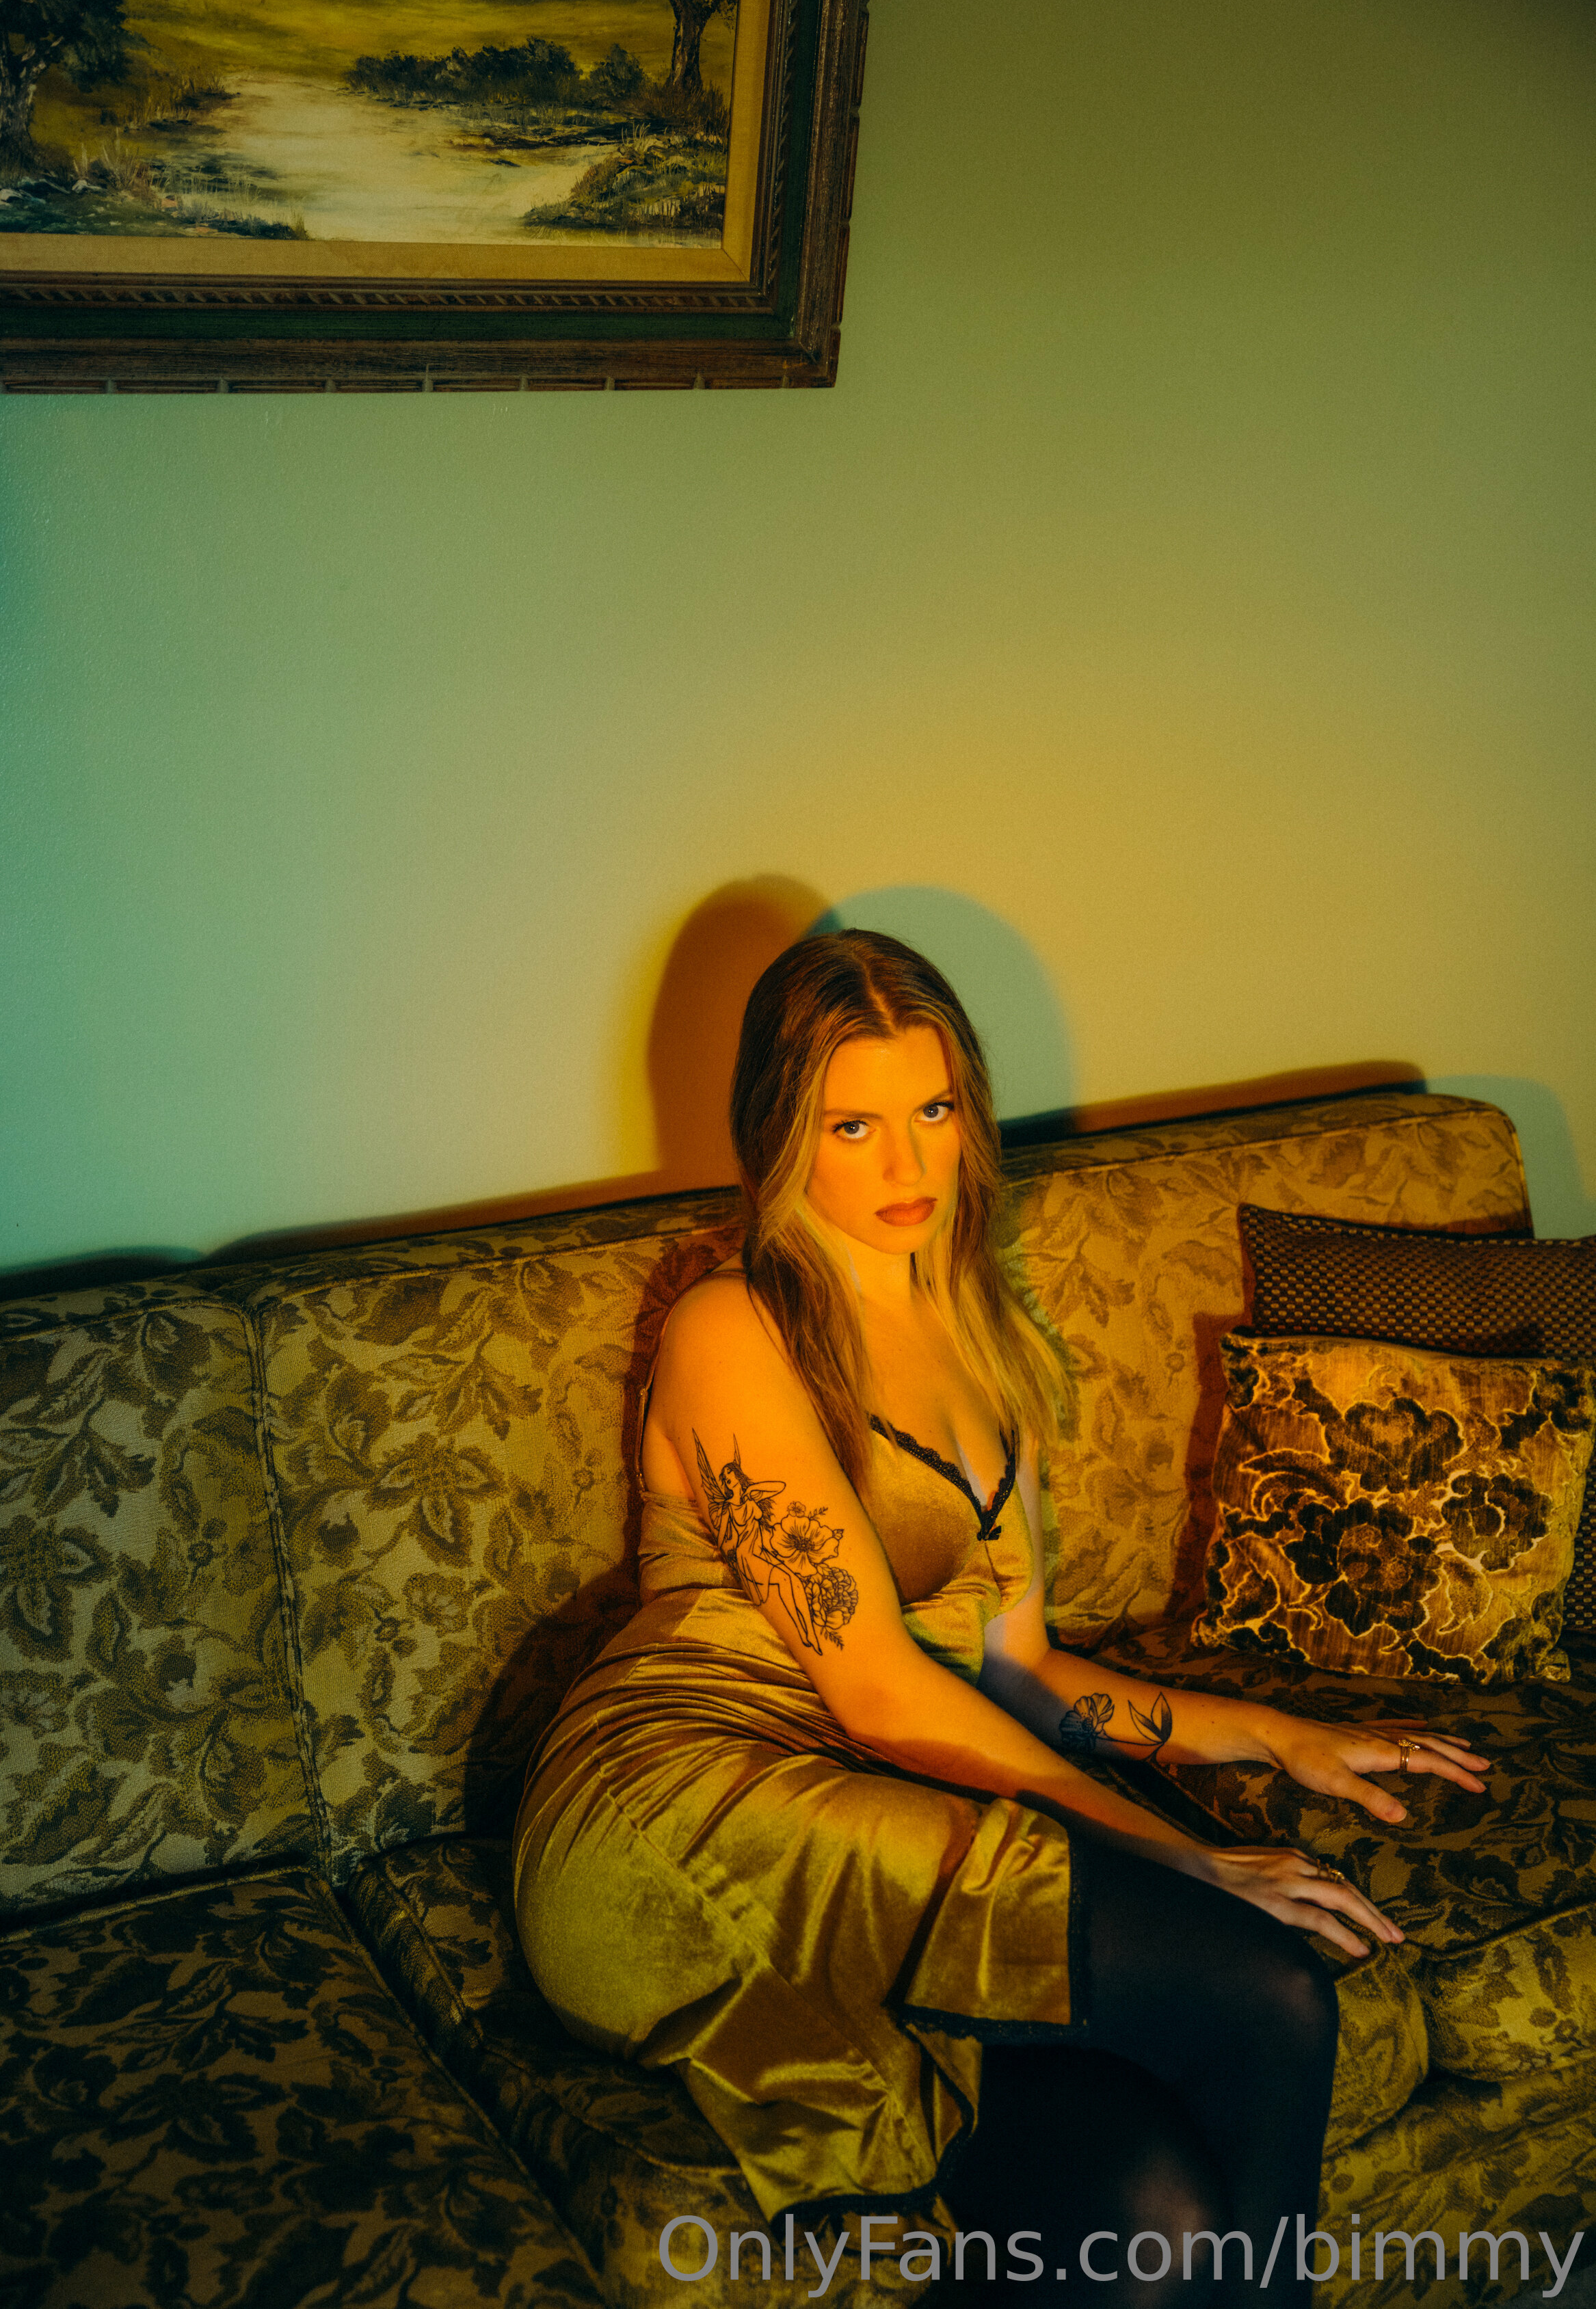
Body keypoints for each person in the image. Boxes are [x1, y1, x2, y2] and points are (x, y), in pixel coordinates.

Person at [514, 930, 1487, 2306]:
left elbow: (1015, 1668)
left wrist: (1270, 1733)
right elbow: (876, 1688)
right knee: (1268, 1987)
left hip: (878, 1793)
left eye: (932, 1110)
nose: (906, 1164)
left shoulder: (983, 1334)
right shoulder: (734, 1325)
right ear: (781, 1135)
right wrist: (1182, 1861)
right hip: (683, 1806)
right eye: (853, 1125)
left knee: (1151, 2218)